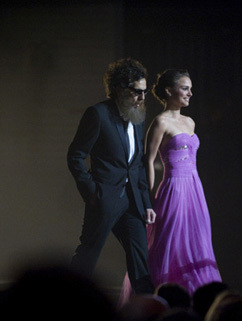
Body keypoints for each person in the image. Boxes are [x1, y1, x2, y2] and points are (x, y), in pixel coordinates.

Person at [119, 69, 221, 304]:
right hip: (173, 190)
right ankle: (157, 303)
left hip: (195, 189)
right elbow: (148, 162)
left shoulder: (190, 121)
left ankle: (199, 303)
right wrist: (146, 202)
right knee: (169, 246)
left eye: (190, 89)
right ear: (169, 91)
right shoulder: (160, 122)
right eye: (185, 88)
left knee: (197, 245)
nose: (190, 93)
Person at [67, 57, 156, 294]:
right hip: (104, 198)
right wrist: (91, 191)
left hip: (133, 201)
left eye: (145, 92)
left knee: (140, 259)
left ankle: (147, 307)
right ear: (118, 89)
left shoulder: (137, 117)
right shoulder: (97, 114)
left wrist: (146, 202)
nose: (143, 98)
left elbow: (136, 164)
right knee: (88, 253)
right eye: (137, 92)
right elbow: (75, 155)